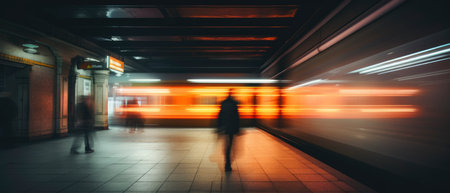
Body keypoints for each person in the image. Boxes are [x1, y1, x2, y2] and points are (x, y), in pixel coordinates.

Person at [217, 89, 240, 171]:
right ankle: (228, 162)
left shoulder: (223, 103)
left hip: (224, 127)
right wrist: (238, 129)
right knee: (230, 144)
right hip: (232, 127)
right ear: (233, 94)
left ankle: (227, 161)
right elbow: (237, 117)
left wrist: (218, 128)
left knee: (226, 145)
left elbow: (220, 116)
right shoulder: (235, 103)